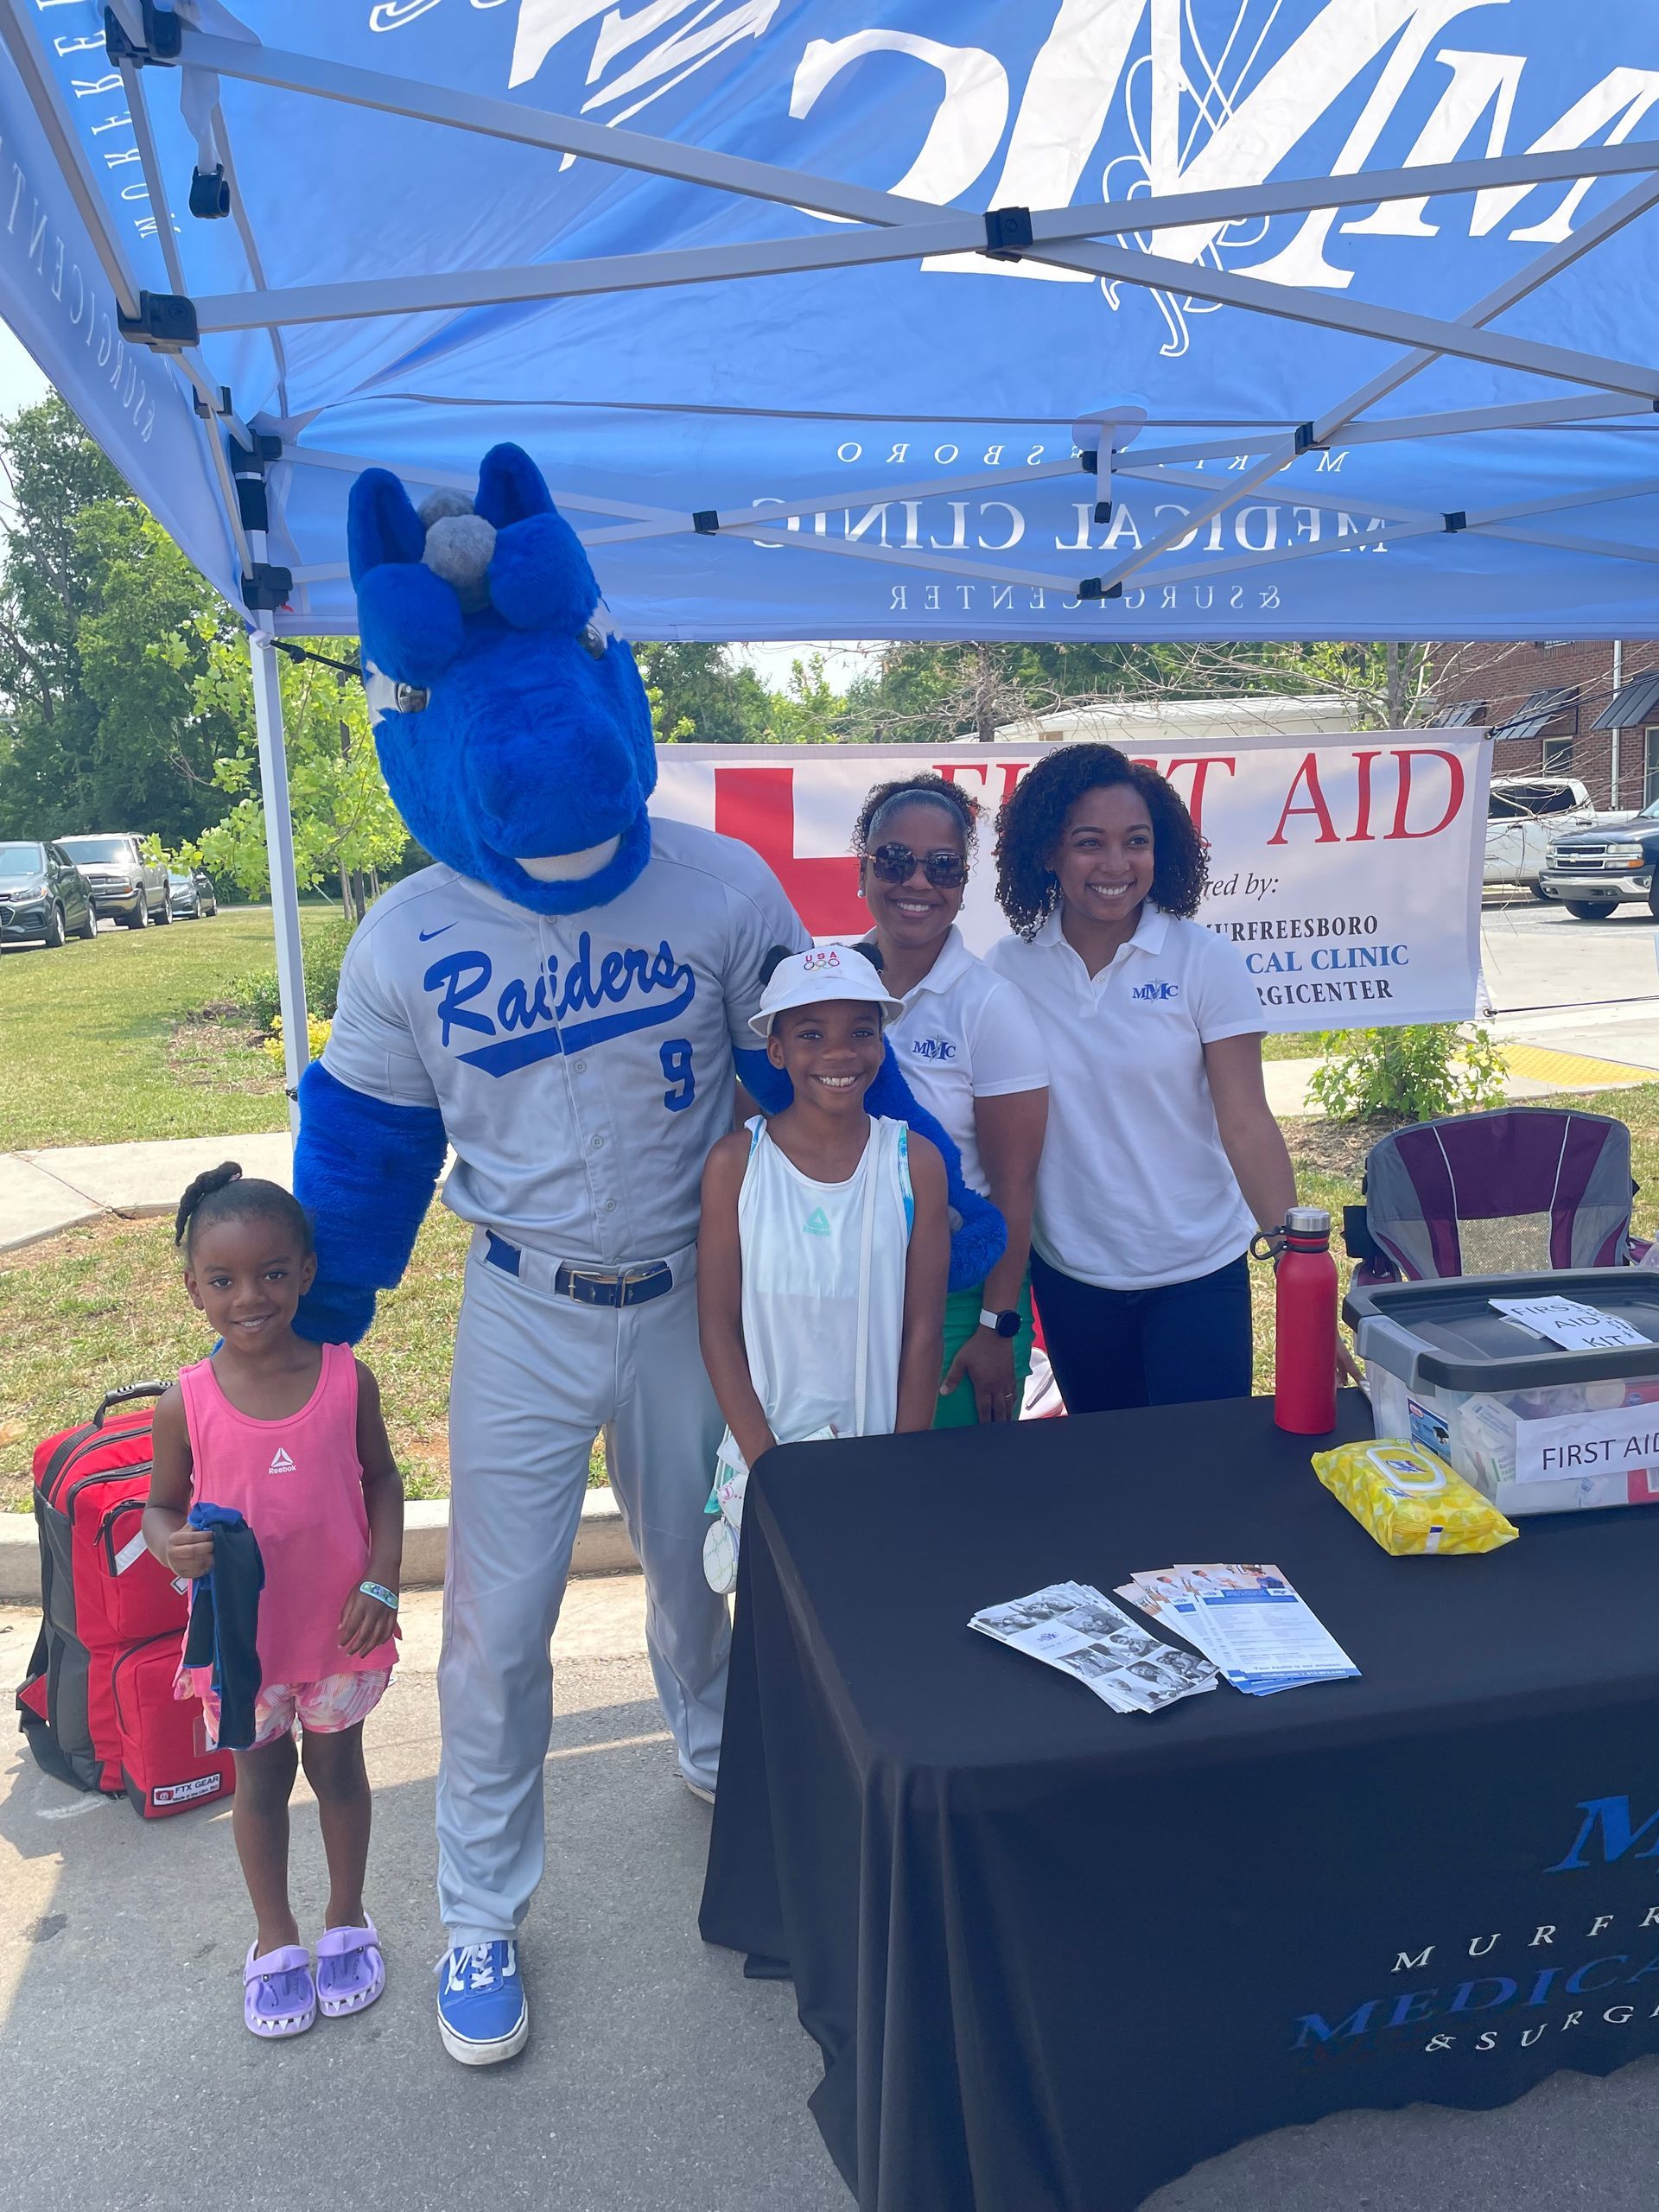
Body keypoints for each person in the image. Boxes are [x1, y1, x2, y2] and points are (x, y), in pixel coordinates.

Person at [143, 1164, 404, 2041]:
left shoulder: (344, 1377)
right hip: (241, 1644)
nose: (249, 1296)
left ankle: (345, 1919)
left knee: (337, 1772)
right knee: (258, 1783)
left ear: (306, 1269)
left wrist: (381, 1578)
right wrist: (166, 1542)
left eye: (271, 1273)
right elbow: (159, 1505)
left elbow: (384, 1481)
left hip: (339, 1630)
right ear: (194, 1289)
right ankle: (275, 1939)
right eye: (223, 1280)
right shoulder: (186, 1400)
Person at [986, 743, 1299, 1414]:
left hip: (1197, 1275)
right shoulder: (1008, 971)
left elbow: (1245, 1121)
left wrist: (1293, 1254)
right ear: (1048, 852)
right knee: (1116, 1483)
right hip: (1073, 1278)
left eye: (1137, 842)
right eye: (1089, 843)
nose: (1116, 865)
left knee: (1205, 1478)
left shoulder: (1204, 961)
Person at [696, 945, 950, 1535]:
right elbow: (717, 1326)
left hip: (880, 1467)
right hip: (769, 1467)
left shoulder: (914, 1164)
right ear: (777, 1051)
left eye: (861, 1031)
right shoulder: (737, 1165)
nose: (839, 1053)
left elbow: (923, 1330)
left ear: (881, 1041)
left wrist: (902, 1459)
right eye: (811, 1035)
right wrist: (768, 1465)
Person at [852, 773, 1048, 1426]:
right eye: (895, 860)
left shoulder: (990, 1006)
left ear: (963, 886)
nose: (917, 883)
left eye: (942, 867)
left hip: (960, 1298)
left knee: (953, 1510)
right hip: (843, 1290)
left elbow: (1014, 1186)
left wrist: (997, 1327)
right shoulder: (827, 985)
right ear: (864, 868)